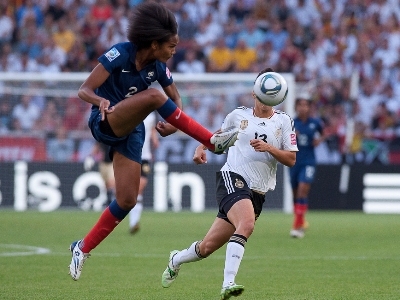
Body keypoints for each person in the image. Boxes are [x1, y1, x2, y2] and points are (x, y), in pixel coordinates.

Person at [68, 2, 239, 281]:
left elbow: (177, 100)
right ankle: (212, 141)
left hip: (132, 132)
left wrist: (172, 123)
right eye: (171, 46)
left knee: (126, 200)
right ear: (155, 43)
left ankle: (81, 247)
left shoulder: (158, 67)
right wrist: (100, 99)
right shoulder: (120, 54)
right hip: (106, 120)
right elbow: (83, 89)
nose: (174, 51)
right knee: (154, 97)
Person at [161, 68, 298, 299]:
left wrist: (270, 149)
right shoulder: (238, 116)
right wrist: (202, 146)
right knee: (246, 225)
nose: (265, 103)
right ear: (255, 93)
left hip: (257, 192)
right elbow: (219, 135)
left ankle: (176, 259)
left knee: (206, 248)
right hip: (232, 178)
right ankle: (228, 284)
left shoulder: (284, 121)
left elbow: (291, 159)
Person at [289, 97, 324, 238]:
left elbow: (323, 133)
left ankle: (297, 227)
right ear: (296, 107)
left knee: (302, 191)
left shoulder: (315, 123)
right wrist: (291, 137)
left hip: (309, 161)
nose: (303, 108)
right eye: (300, 105)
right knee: (295, 194)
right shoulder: (291, 123)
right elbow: (281, 138)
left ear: (310, 108)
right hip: (293, 161)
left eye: (305, 105)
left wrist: (318, 141)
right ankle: (301, 221)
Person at [128, 112, 159, 234]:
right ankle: (132, 220)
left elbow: (152, 129)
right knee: (132, 191)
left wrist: (155, 139)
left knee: (140, 188)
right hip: (131, 155)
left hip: (145, 156)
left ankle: (134, 222)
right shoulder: (132, 111)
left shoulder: (151, 115)